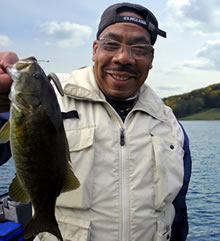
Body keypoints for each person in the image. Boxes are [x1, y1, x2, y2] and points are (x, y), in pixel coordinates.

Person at [0, 3, 191, 241]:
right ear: (94, 49)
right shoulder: (50, 96)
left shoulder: (170, 125)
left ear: (151, 58)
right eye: (111, 44)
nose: (123, 58)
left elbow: (177, 211)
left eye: (139, 48)